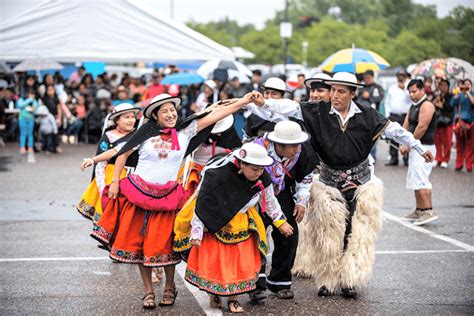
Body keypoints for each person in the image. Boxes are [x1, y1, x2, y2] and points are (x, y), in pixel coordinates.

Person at [247, 72, 433, 299]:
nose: (335, 95)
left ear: (353, 93)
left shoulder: (367, 115)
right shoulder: (317, 112)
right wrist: (264, 102)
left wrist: (418, 147)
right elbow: (288, 107)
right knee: (327, 233)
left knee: (354, 232)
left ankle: (350, 279)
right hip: (328, 182)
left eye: (341, 91)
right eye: (333, 90)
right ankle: (327, 280)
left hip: (361, 182)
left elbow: (394, 130)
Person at [91, 93, 255, 309]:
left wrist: (243, 101)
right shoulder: (145, 134)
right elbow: (120, 152)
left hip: (168, 198)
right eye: (165, 111)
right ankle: (148, 291)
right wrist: (106, 173)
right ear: (156, 116)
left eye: (172, 110)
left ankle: (169, 287)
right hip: (139, 194)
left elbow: (216, 115)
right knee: (141, 246)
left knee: (168, 245)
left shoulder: (185, 131)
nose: (170, 114)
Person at [174, 142, 293, 313]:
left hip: (242, 224)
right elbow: (203, 204)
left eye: (261, 169)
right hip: (216, 223)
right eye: (254, 169)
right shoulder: (216, 176)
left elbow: (271, 202)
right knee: (216, 263)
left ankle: (233, 299)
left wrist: (281, 222)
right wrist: (197, 231)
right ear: (241, 164)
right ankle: (213, 291)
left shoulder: (262, 177)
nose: (258, 173)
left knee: (239, 263)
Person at [250, 121, 315, 300]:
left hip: (283, 192)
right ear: (279, 145)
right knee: (256, 235)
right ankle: (255, 283)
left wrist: (301, 202)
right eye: (292, 146)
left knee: (289, 235)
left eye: (298, 144)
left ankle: (280, 281)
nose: (297, 149)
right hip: (256, 194)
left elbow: (306, 178)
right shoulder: (257, 150)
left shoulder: (303, 152)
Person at [78, 103, 140, 223]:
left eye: (132, 117)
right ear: (117, 120)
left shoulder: (138, 135)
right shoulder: (109, 136)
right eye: (126, 117)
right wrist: (103, 188)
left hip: (132, 179)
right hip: (111, 178)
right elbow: (100, 164)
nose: (131, 120)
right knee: (108, 214)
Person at [401, 79, 438, 225]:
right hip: (415, 146)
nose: (411, 94)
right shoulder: (413, 106)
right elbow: (406, 125)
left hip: (425, 147)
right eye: (409, 92)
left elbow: (422, 127)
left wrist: (409, 144)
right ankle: (419, 210)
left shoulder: (427, 105)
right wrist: (403, 142)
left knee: (421, 179)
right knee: (414, 179)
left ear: (422, 90)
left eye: (414, 91)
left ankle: (428, 210)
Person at [384, 68, 412, 166]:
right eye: (399, 76)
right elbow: (387, 102)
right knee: (393, 137)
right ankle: (393, 158)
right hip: (393, 116)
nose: (400, 77)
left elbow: (410, 99)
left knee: (406, 137)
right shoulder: (392, 88)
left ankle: (407, 158)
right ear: (396, 77)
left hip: (405, 116)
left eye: (402, 75)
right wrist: (388, 114)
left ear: (405, 76)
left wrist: (404, 88)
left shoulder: (409, 88)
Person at [450, 79, 474, 172]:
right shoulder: (459, 95)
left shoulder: (472, 94)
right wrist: (457, 93)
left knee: (471, 145)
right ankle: (459, 164)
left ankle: (469, 165)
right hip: (459, 123)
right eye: (465, 85)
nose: (467, 86)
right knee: (460, 145)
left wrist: (468, 93)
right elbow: (452, 104)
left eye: (469, 85)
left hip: (471, 122)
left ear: (471, 86)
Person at [433, 79, 454, 168]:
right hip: (437, 122)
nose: (443, 87)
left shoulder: (451, 96)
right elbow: (433, 105)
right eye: (441, 85)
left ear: (448, 87)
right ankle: (438, 158)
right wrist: (436, 101)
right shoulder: (437, 95)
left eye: (445, 85)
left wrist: (439, 103)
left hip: (447, 122)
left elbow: (449, 107)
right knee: (437, 141)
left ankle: (445, 159)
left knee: (447, 142)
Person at [16, 88, 38, 163]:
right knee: (23, 133)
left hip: (30, 119)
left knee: (30, 134)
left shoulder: (34, 101)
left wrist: (33, 107)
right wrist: (29, 100)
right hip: (22, 118)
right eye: (30, 94)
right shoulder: (22, 99)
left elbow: (35, 110)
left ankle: (30, 147)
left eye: (33, 94)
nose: (32, 95)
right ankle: (22, 147)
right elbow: (19, 105)